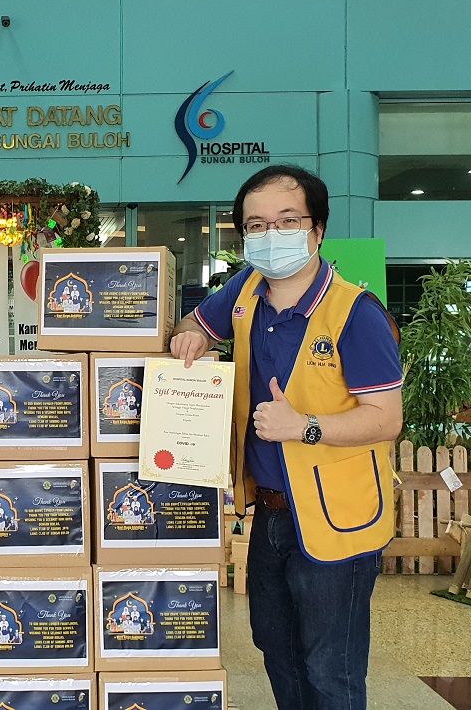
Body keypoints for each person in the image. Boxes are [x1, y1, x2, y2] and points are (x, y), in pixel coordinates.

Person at [169, 165, 402, 710]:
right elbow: (193, 326)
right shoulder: (246, 291)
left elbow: (386, 418)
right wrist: (190, 341)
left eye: (287, 220)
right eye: (256, 224)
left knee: (331, 668)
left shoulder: (355, 313)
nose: (271, 235)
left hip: (337, 521)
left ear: (317, 230)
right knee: (277, 650)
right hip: (271, 515)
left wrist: (305, 427)